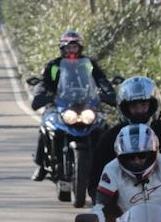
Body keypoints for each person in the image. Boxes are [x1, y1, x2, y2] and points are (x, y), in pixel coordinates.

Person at [87, 76, 161, 198]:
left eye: (143, 104)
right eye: (134, 105)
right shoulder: (110, 138)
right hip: (123, 209)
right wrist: (105, 206)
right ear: (124, 108)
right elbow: (95, 179)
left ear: (153, 104)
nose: (139, 110)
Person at [31, 30, 112, 181]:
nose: (71, 50)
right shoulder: (54, 66)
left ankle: (107, 164)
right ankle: (41, 165)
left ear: (80, 48)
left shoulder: (89, 64)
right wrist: (41, 94)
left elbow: (101, 80)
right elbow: (45, 82)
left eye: (74, 47)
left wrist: (109, 93)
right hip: (60, 104)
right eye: (68, 48)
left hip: (86, 104)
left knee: (104, 127)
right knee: (45, 125)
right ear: (62, 48)